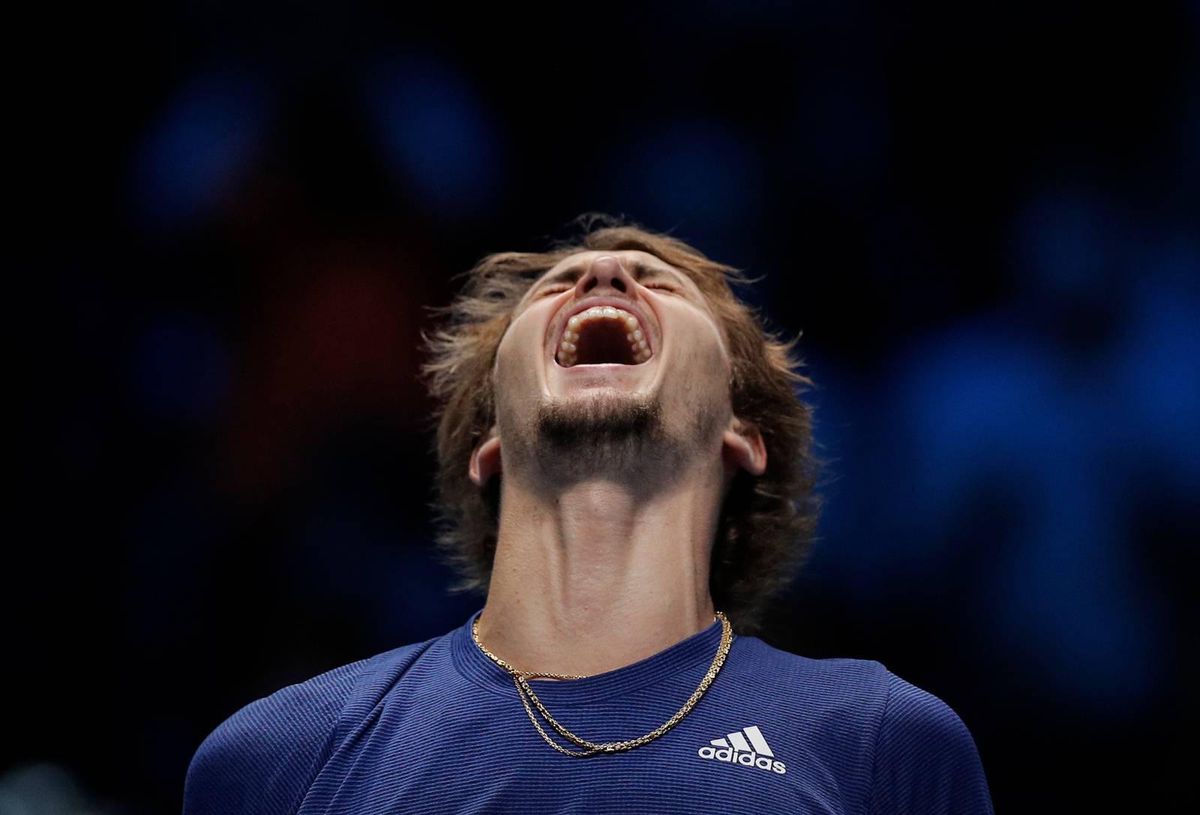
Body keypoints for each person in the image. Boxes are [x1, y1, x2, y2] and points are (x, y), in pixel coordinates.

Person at [183, 218, 995, 814]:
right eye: (554, 286)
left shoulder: (882, 741)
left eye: (662, 282)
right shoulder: (282, 757)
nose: (604, 270)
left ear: (742, 433)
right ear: (487, 438)